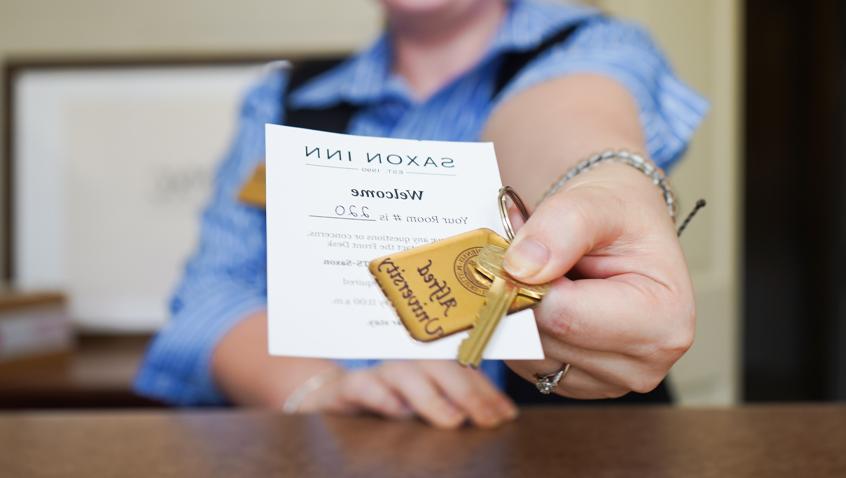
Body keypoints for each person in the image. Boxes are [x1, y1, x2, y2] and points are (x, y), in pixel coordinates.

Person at [135, 0, 707, 429]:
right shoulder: (287, 99)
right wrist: (321, 388)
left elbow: (563, 118)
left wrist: (596, 180)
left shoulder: (594, 46)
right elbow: (213, 295)